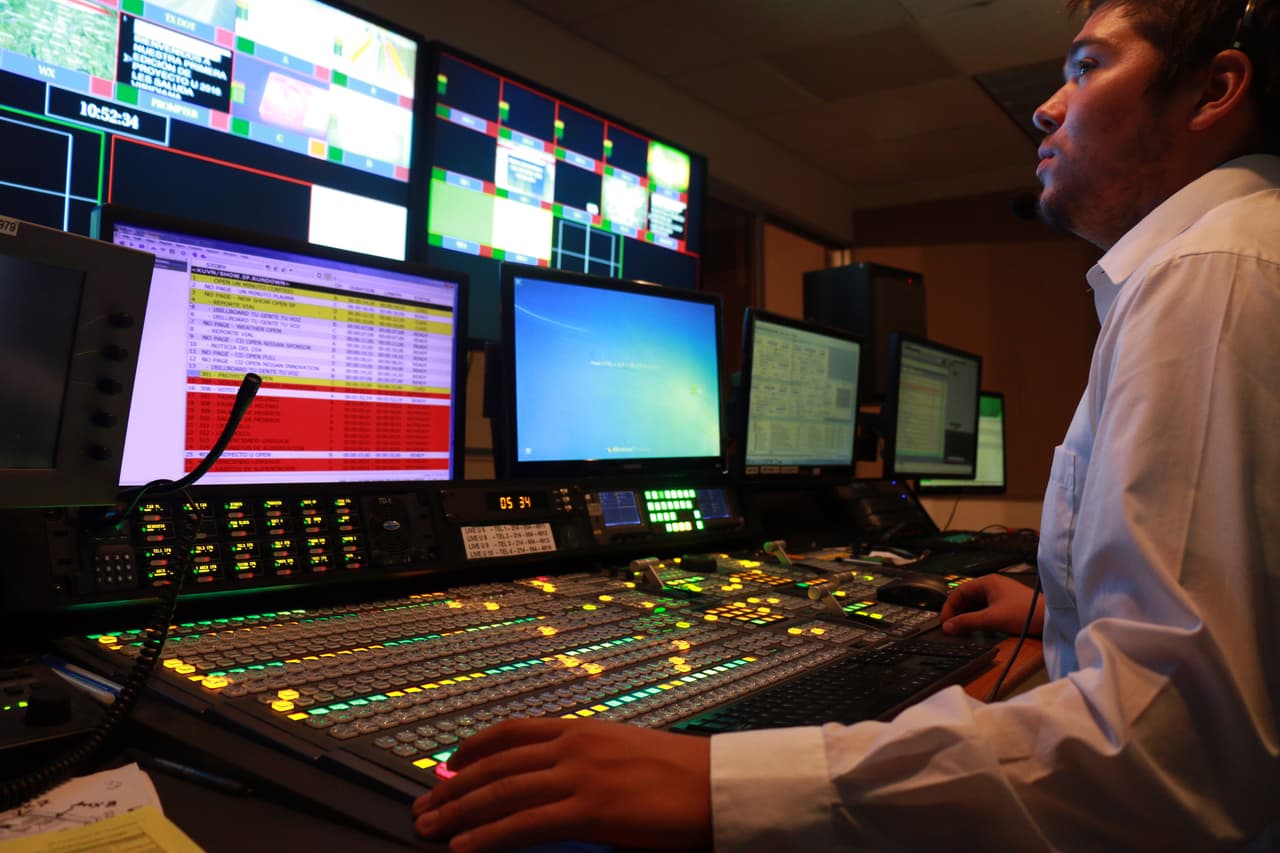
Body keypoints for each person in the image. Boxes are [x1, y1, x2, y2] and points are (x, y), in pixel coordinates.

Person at [412, 0, 1280, 849]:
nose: (1046, 106)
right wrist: (1065, 611)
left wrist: (714, 783)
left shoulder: (1214, 272)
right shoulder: (1223, 261)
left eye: (1088, 67)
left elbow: (1176, 750)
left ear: (1215, 90)